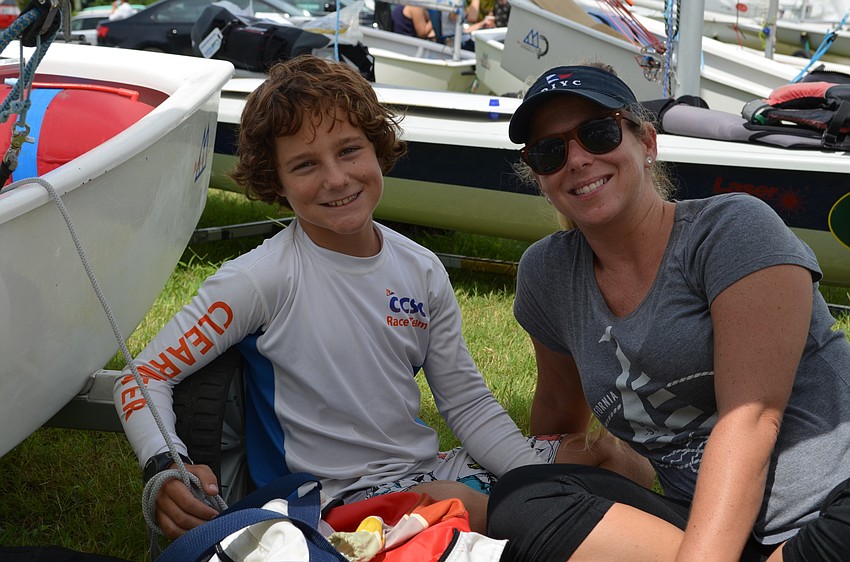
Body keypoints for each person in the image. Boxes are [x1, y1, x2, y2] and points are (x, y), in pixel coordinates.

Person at [113, 55, 559, 540]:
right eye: (305, 164)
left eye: (349, 151)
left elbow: (468, 404)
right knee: (487, 510)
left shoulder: (422, 269)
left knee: (589, 456)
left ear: (377, 147)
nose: (336, 178)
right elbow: (142, 376)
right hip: (331, 504)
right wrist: (166, 465)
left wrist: (537, 483)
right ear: (276, 180)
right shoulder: (260, 278)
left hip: (424, 473)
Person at [486, 63, 850, 562]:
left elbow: (752, 419)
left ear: (647, 143)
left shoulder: (730, 230)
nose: (577, 159)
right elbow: (557, 425)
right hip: (708, 530)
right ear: (540, 178)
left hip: (829, 510)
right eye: (550, 151)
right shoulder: (548, 274)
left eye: (598, 133)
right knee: (522, 498)